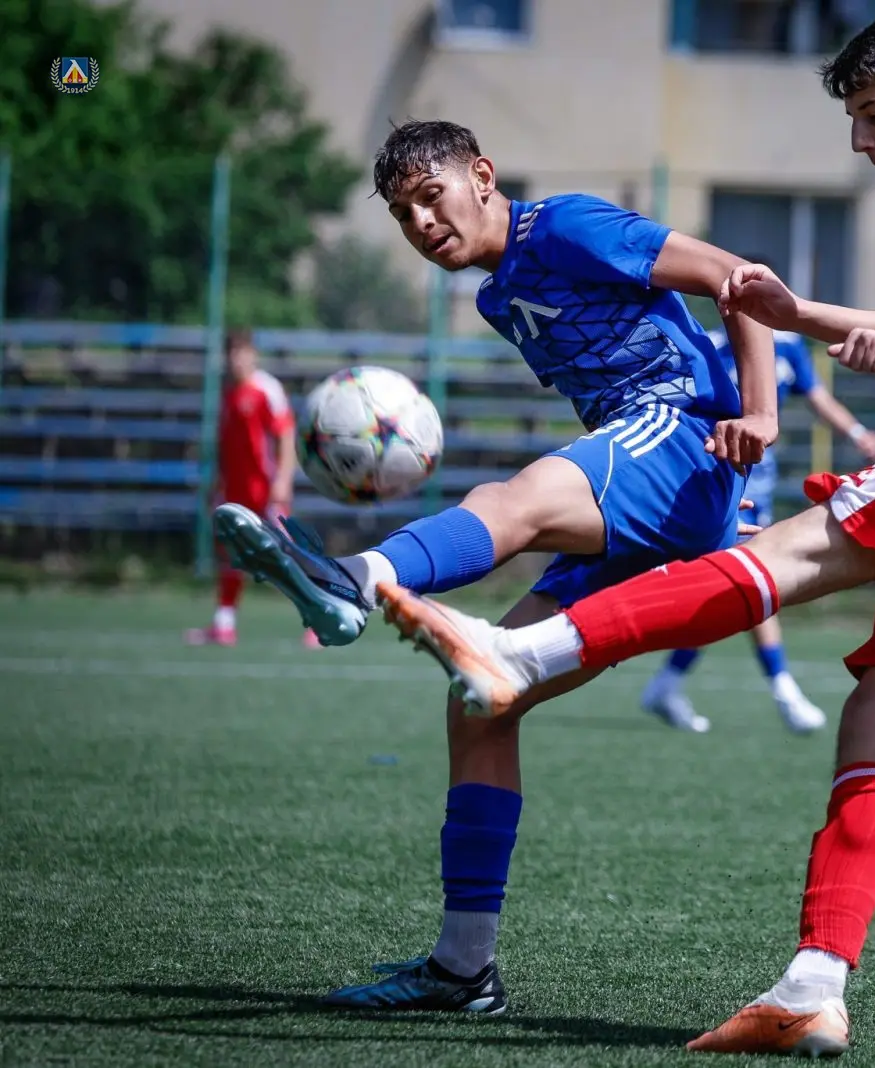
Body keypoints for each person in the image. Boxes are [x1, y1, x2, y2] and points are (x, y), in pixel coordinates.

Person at [374, 7, 875, 1056]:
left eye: (874, 116)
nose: (860, 142)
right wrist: (806, 315)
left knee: (788, 549)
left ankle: (524, 653)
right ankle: (815, 988)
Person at [214, 119, 778, 1014]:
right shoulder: (497, 296)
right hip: (654, 488)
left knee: (512, 499)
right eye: (403, 214)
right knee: (483, 698)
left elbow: (738, 278)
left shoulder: (565, 226)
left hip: (681, 438)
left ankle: (353, 579)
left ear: (481, 176)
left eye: (430, 196)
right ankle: (463, 969)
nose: (421, 223)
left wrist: (761, 414)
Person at [639, 307, 875, 735]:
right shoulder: (712, 345)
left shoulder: (787, 347)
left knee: (734, 587)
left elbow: (818, 397)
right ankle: (783, 691)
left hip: (759, 480)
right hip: (722, 477)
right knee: (752, 581)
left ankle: (669, 681)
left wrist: (857, 432)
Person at [184, 329, 318, 649]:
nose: (236, 359)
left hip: (265, 492)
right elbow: (226, 445)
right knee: (230, 555)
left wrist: (283, 479)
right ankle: (224, 625)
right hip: (234, 491)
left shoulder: (266, 389)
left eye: (242, 352)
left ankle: (318, 620)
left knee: (289, 555)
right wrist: (216, 484)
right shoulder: (227, 392)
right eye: (231, 353)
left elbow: (285, 435)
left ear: (253, 355)